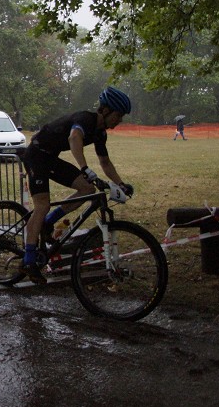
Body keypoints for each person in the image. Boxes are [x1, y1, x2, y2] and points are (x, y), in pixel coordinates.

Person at [19, 86, 134, 284]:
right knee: (42, 205)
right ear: (105, 111)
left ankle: (48, 221)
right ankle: (28, 259)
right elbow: (74, 138)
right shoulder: (85, 119)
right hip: (36, 155)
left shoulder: (100, 133)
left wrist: (121, 184)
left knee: (87, 189)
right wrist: (84, 168)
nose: (120, 120)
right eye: (118, 115)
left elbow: (105, 162)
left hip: (50, 158)